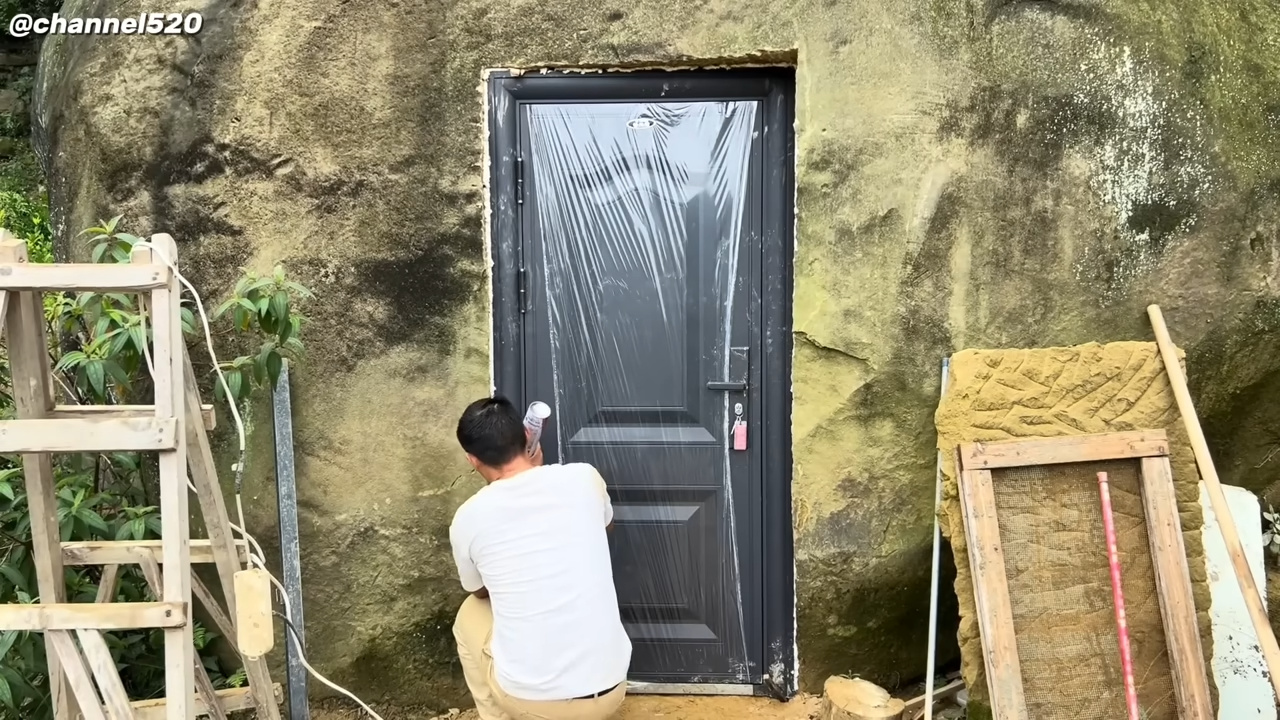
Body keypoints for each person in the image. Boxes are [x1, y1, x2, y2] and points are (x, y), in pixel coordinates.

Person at [449, 395, 632, 720]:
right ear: (525, 435)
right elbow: (607, 524)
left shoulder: (468, 517)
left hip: (534, 704)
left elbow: (479, 592)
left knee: (468, 618)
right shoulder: (584, 478)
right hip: (612, 688)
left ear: (473, 460)